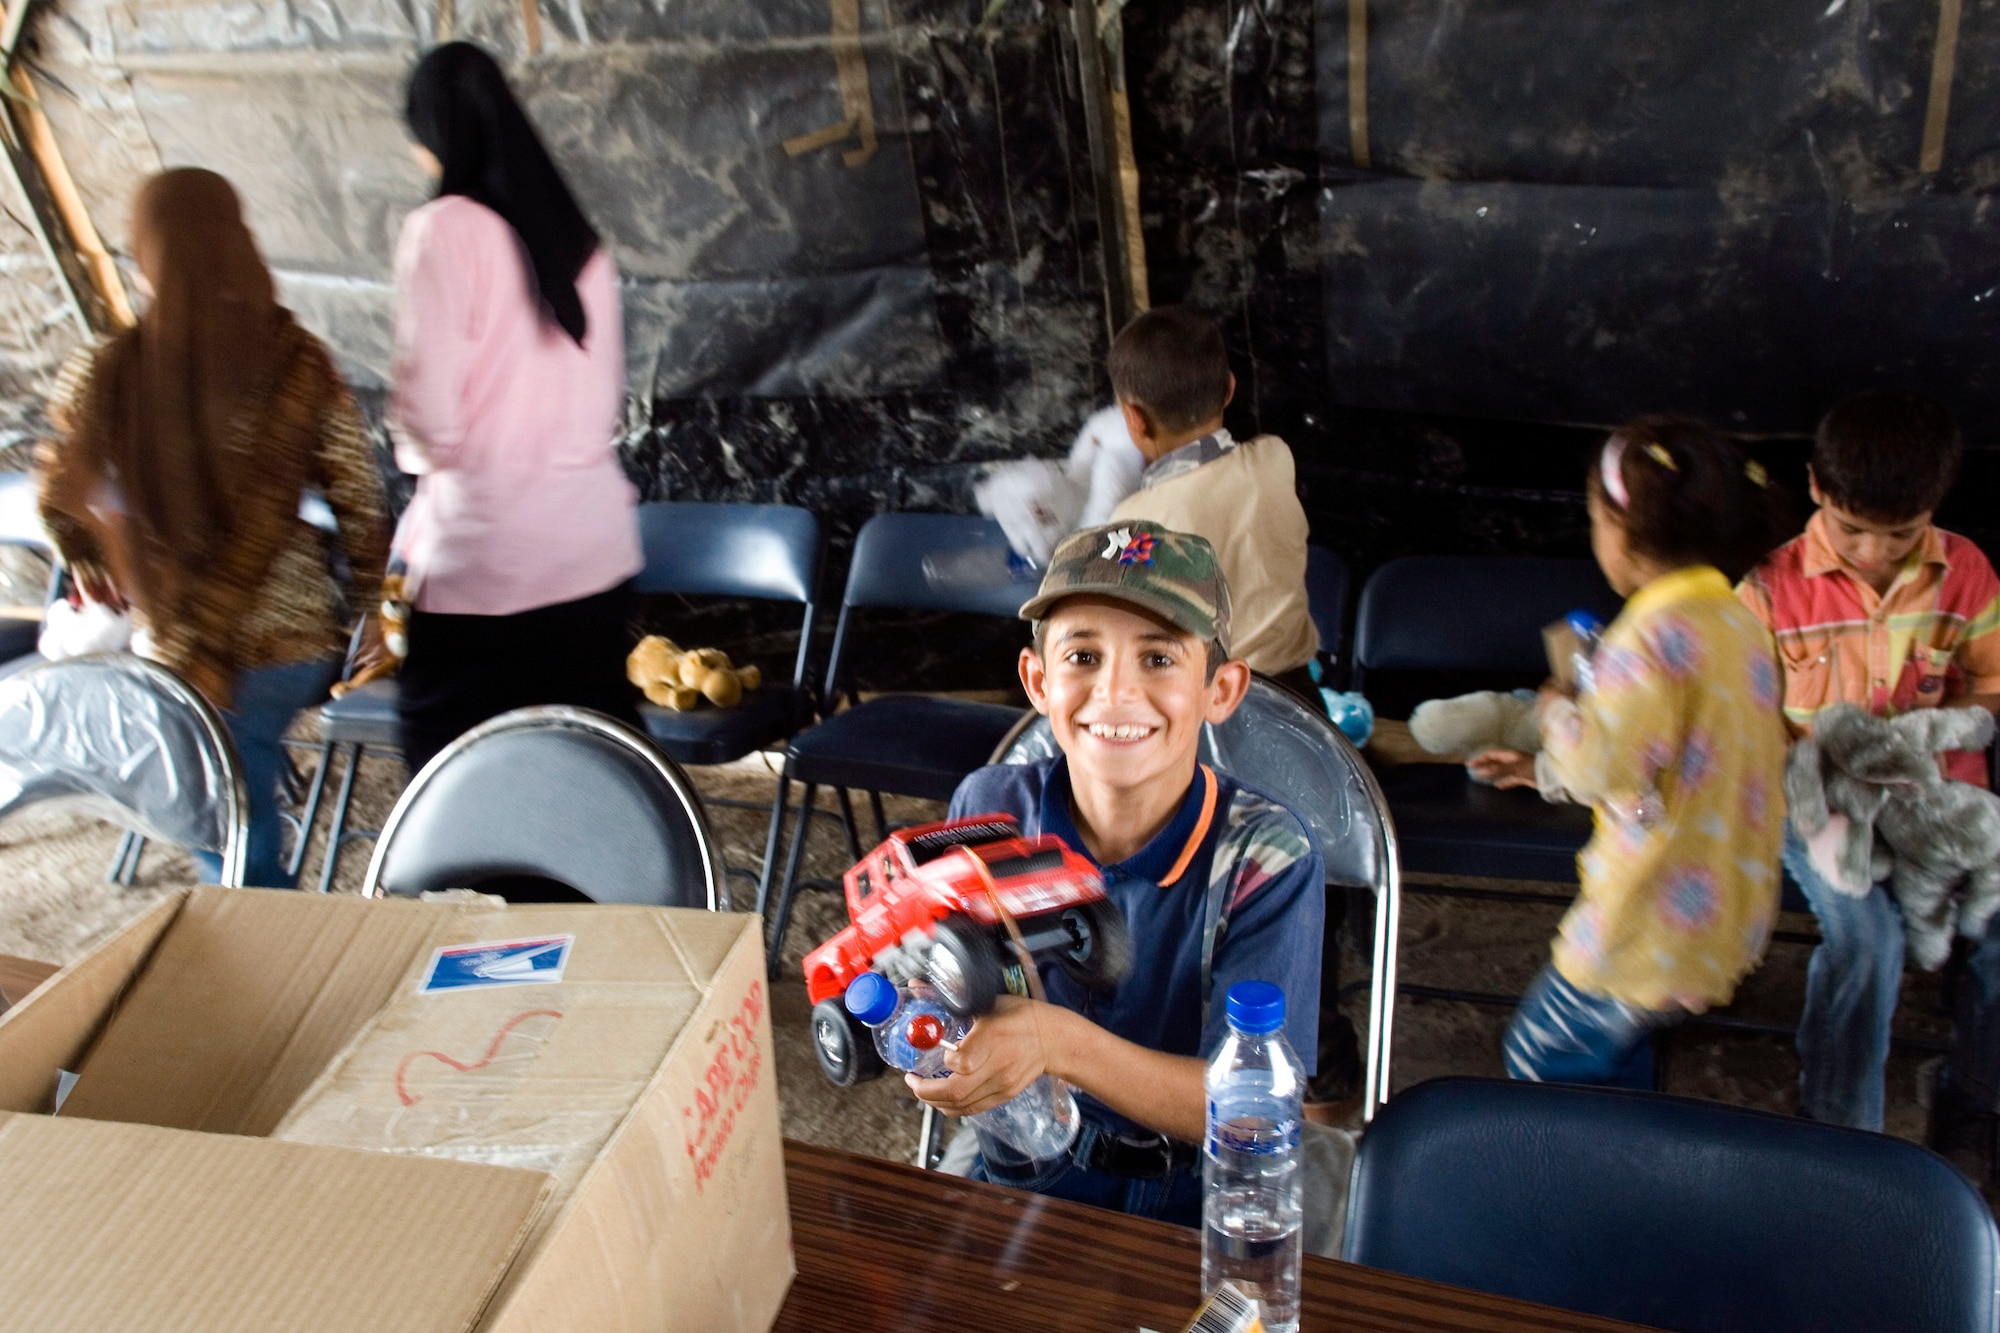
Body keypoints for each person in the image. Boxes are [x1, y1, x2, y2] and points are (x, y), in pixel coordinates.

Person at [911, 519, 1325, 1226]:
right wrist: (932, 1024)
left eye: (1159, 660)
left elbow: (1255, 1108)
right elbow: (943, 981)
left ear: (1220, 690)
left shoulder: (1264, 855)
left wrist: (1060, 1043)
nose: (1114, 692)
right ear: (1038, 680)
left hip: (1204, 1191)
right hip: (1020, 1157)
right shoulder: (989, 810)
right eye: (1083, 655)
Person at [38, 168, 391, 888]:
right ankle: (263, 912)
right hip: (294, 647)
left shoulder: (105, 373)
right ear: (238, 243)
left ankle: (267, 933)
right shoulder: (299, 362)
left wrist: (94, 569)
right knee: (229, 802)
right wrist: (373, 620)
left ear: (146, 254)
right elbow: (358, 500)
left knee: (224, 820)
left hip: (178, 648)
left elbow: (58, 496)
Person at [1469, 417, 1788, 1088]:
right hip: (1725, 915)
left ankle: (1580, 1184)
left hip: (1644, 926)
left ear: (1622, 526)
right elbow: (1680, 760)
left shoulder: (1646, 637)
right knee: (1615, 1051)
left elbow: (1599, 768)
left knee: (1539, 1056)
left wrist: (1557, 709)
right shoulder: (1739, 622)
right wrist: (1540, 770)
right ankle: (1628, 1158)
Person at [1737, 390, 2000, 1130]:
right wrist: (1815, 776)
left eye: (1903, 534)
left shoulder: (1969, 572)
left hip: (1938, 802)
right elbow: (1748, 720)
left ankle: (1973, 1104)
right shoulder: (1767, 585)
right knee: (1869, 941)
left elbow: (1991, 683)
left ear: (1937, 503)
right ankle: (1841, 1131)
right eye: (1853, 530)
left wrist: (1933, 733)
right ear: (1817, 486)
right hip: (1818, 807)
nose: (1876, 553)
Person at [391, 42, 642, 773]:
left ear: (431, 137)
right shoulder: (581, 244)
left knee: (453, 783)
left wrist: (420, 451)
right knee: (596, 772)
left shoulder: (442, 230)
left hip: (485, 564)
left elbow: (428, 422)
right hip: (593, 554)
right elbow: (601, 409)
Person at [1103, 306, 1317, 691]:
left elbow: (1116, 614)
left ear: (1134, 418)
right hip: (1302, 705)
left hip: (1214, 714)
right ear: (1230, 389)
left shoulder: (1133, 521)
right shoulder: (1275, 459)